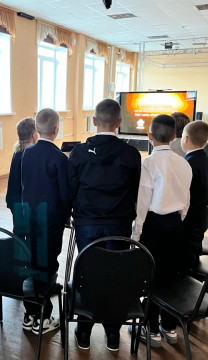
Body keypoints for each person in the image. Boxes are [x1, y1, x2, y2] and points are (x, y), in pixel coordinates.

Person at [68, 98, 141, 352]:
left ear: (94, 121)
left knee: (88, 272)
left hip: (87, 224)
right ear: (119, 122)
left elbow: (71, 188)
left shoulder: (78, 153)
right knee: (116, 274)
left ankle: (84, 330)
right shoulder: (131, 154)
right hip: (119, 224)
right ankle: (112, 332)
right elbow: (135, 190)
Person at [133, 114, 192, 348]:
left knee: (151, 275)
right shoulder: (184, 163)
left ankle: (152, 329)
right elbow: (186, 199)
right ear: (175, 136)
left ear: (149, 136)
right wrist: (178, 219)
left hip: (153, 225)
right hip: (175, 223)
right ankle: (170, 326)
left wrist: (136, 234)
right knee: (170, 275)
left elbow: (142, 203)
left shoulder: (148, 163)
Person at [20, 108, 71, 336]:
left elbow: (25, 185)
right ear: (56, 129)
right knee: (48, 264)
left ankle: (30, 313)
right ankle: (43, 317)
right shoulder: (59, 158)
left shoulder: (27, 153)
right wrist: (67, 214)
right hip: (51, 219)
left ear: (36, 129)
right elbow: (64, 193)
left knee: (33, 262)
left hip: (30, 215)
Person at [180, 120, 208, 271]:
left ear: (185, 139)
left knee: (186, 252)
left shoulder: (188, 163)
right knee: (193, 248)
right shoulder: (204, 159)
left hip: (190, 217)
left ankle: (187, 278)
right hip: (202, 215)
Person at [5, 117, 38, 230]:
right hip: (23, 202)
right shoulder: (29, 155)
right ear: (33, 135)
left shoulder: (18, 151)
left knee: (19, 231)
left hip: (14, 199)